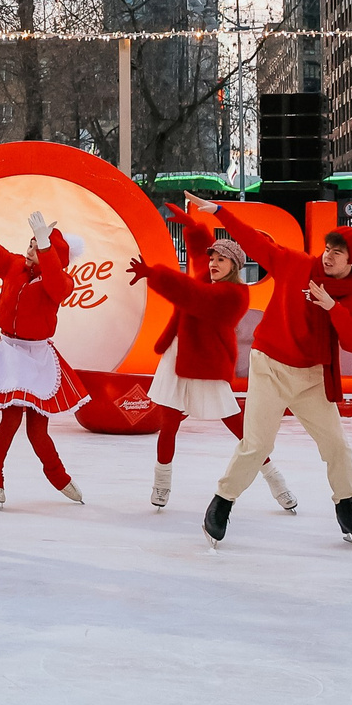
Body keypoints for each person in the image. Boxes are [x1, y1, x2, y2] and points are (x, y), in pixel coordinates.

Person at [196, 201, 352, 549]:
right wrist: (219, 210)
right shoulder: (296, 264)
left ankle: (346, 506)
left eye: (338, 254)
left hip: (311, 378)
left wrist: (332, 308)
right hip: (271, 366)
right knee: (258, 444)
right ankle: (221, 503)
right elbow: (254, 241)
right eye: (327, 249)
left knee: (337, 445)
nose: (328, 257)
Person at [121, 202, 292, 513]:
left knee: (238, 427)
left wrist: (153, 274)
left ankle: (274, 478)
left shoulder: (234, 296)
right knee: (168, 422)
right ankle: (161, 482)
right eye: (213, 257)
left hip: (206, 363)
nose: (213, 263)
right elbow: (200, 256)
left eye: (221, 259)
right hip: (178, 356)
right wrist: (192, 227)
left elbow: (194, 296)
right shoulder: (207, 276)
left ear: (235, 266)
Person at [0, 176, 87, 508]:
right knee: (10, 420)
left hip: (38, 358)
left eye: (38, 244)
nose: (31, 247)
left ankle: (59, 477)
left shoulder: (61, 281)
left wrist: (46, 245)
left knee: (38, 431)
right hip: (10, 353)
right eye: (31, 241)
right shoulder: (13, 265)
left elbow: (55, 286)